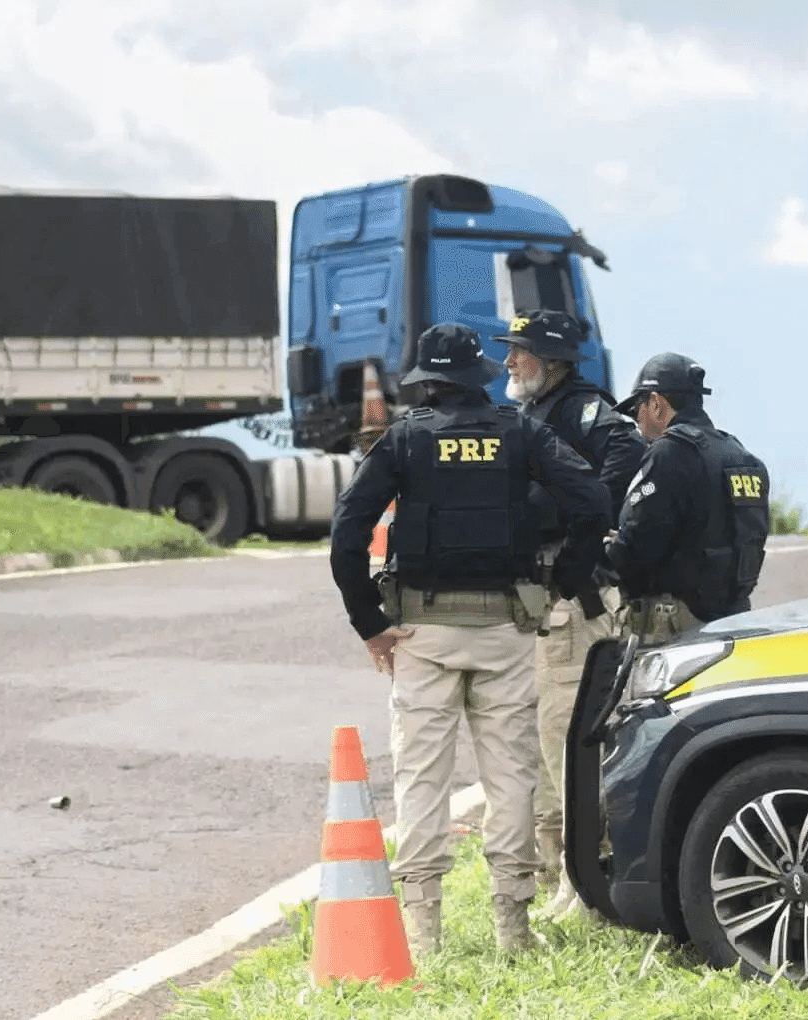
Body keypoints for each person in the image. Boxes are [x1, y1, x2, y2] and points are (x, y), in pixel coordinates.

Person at [329, 322, 610, 957]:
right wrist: (560, 584)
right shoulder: (521, 432)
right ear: (479, 377)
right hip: (507, 631)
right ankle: (513, 929)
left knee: (421, 776)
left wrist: (370, 624)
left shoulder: (403, 440)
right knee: (511, 775)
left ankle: (424, 936)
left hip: (422, 634)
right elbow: (593, 500)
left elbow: (347, 534)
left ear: (427, 382)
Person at [497, 309, 645, 920]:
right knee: (540, 741)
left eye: (521, 353)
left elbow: (622, 462)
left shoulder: (586, 412)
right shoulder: (536, 414)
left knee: (569, 742)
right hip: (541, 605)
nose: (509, 363)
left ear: (552, 360)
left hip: (573, 608)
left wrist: (577, 528)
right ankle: (564, 875)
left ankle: (591, 879)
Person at [607, 353, 770, 641]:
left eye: (637, 411)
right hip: (735, 622)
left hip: (675, 628)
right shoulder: (742, 457)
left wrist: (612, 548)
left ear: (656, 404)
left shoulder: (668, 452)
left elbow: (636, 543)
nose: (637, 424)